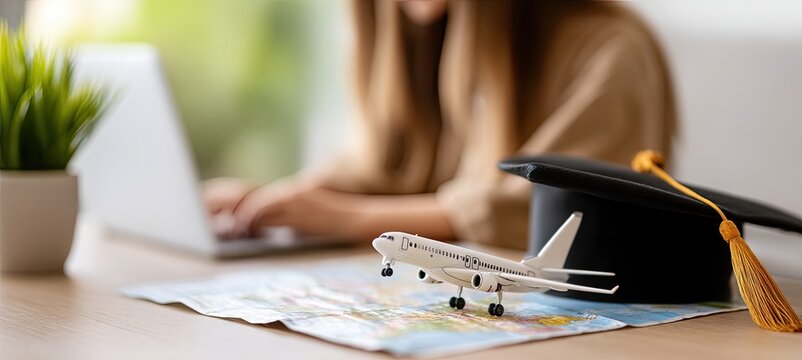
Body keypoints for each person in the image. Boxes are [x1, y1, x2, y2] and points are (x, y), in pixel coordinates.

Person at [203, 0, 675, 249]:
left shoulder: (610, 46)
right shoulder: (424, 32)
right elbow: (387, 168)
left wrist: (348, 218)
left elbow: (555, 209)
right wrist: (274, 202)